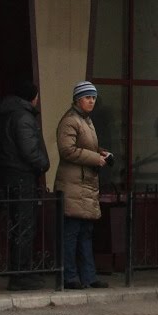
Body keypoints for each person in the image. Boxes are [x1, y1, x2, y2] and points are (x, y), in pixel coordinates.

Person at [0, 80, 51, 291]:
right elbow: (29, 149)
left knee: (18, 224)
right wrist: (43, 164)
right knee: (24, 225)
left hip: (8, 174)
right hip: (21, 176)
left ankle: (21, 271)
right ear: (32, 97)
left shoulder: (6, 113)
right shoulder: (23, 117)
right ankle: (20, 274)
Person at [53, 81, 112, 290]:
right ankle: (70, 276)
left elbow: (86, 147)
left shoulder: (86, 121)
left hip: (85, 185)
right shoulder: (70, 121)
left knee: (85, 233)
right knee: (72, 234)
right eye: (88, 97)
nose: (91, 101)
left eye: (94, 98)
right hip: (73, 186)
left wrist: (101, 153)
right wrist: (95, 158)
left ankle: (88, 275)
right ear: (78, 99)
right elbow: (67, 150)